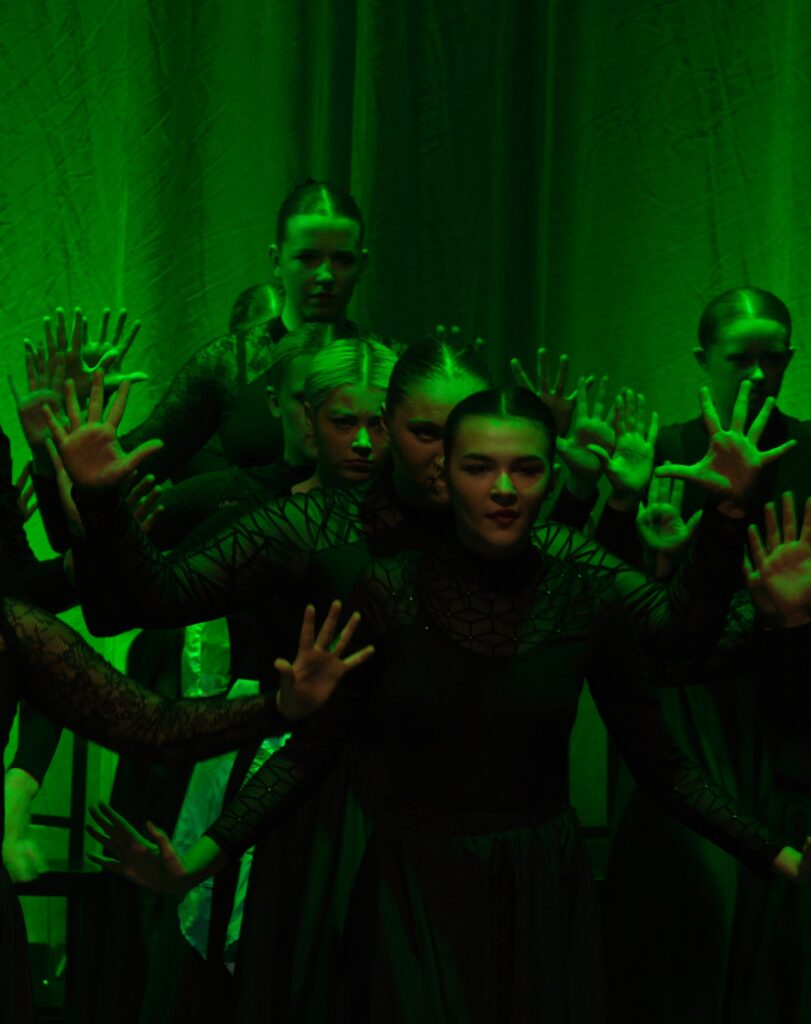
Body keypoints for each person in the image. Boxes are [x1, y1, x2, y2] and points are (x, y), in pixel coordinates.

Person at [90, 388, 810, 1023]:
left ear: (551, 477)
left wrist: (782, 858)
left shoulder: (583, 597)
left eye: (526, 469)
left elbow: (663, 764)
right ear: (445, 474)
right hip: (413, 886)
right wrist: (195, 863)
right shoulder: (389, 590)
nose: (504, 488)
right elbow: (311, 753)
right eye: (479, 467)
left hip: (539, 888)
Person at [551, 286, 811, 1023]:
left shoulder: (807, 449)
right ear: (704, 360)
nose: (757, 374)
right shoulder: (662, 452)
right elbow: (613, 601)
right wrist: (648, 544)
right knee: (686, 903)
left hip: (782, 703)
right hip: (681, 708)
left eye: (772, 359)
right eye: (740, 359)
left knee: (769, 909)